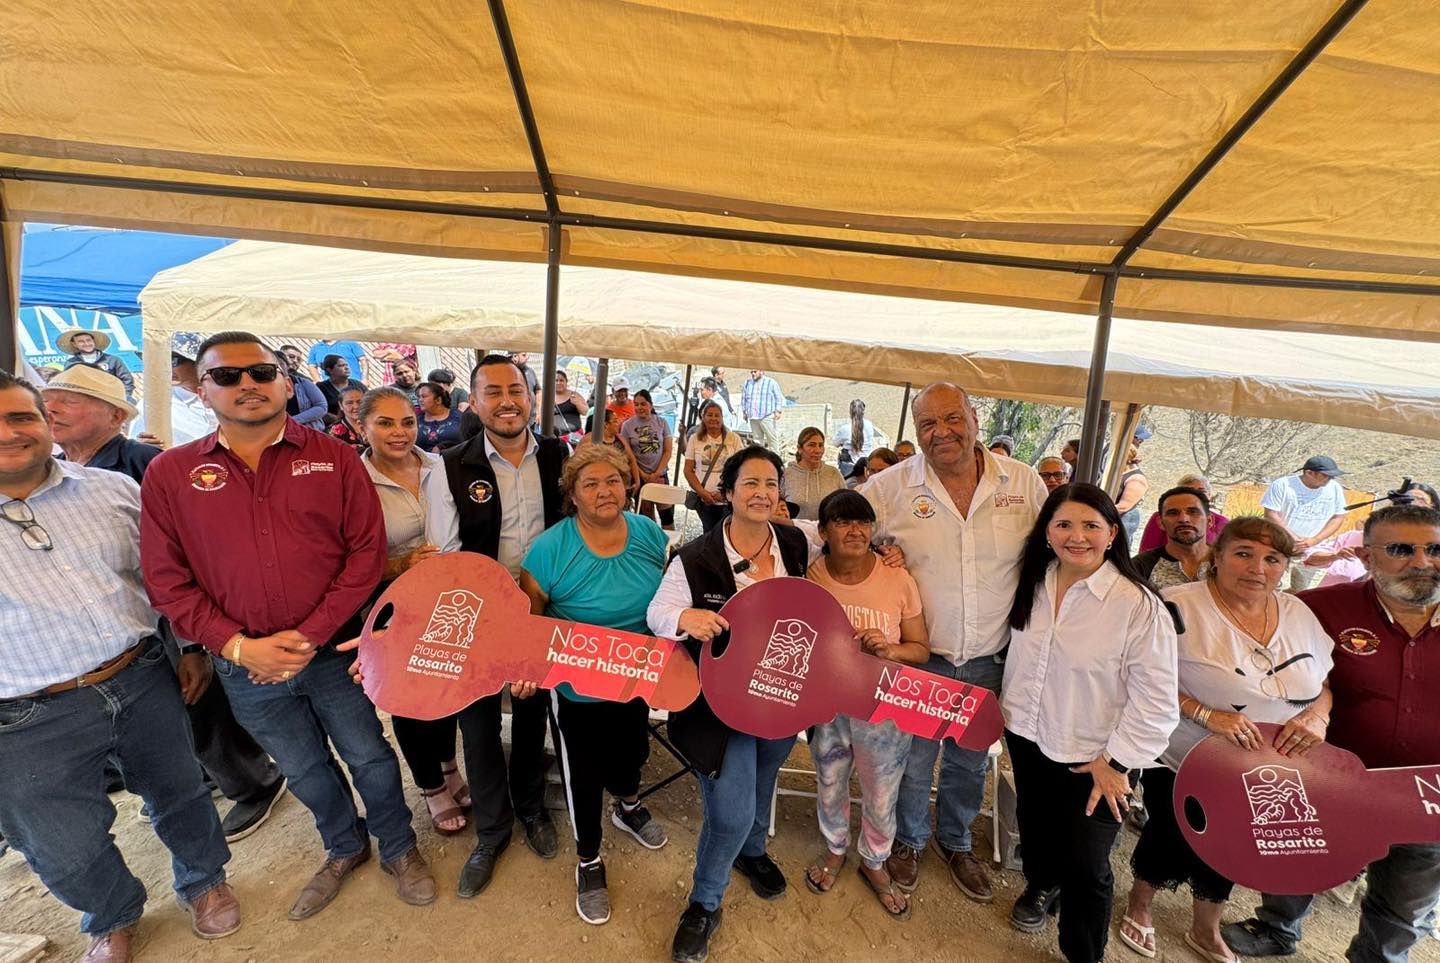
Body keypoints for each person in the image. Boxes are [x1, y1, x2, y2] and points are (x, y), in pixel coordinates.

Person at [140, 331, 434, 920]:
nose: (247, 384)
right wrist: (237, 647)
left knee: (370, 756)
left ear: (285, 381)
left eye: (261, 372)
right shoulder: (171, 473)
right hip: (246, 667)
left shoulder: (336, 459)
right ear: (202, 390)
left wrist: (310, 635)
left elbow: (364, 556)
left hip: (331, 651)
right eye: (227, 376)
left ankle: (399, 846)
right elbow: (167, 580)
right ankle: (343, 846)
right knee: (302, 768)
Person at [0, 371, 242, 963]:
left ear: (44, 424)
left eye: (20, 417)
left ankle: (205, 881)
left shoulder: (113, 491)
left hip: (140, 675)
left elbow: (166, 577)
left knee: (181, 791)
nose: (9, 434)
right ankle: (111, 917)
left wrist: (190, 646)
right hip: (24, 714)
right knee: (62, 840)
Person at [46, 365, 288, 843]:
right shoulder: (54, 469)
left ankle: (253, 780)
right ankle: (207, 774)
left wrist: (193, 639)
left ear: (115, 415)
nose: (52, 410)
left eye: (69, 401)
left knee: (197, 696)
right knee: (158, 708)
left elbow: (192, 544)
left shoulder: (144, 462)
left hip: (168, 610)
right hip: (112, 614)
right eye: (48, 401)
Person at [1222, 503, 1440, 963]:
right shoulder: (1318, 609)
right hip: (1330, 779)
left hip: (1429, 795)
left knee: (1406, 902)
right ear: (1365, 557)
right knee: (1298, 859)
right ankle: (1276, 928)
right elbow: (1282, 675)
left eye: (1435, 550)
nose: (1422, 562)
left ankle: (1377, 958)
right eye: (1402, 550)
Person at [861, 382, 1047, 903]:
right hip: (923, 657)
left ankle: (957, 841)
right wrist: (877, 556)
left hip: (993, 657)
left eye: (952, 418)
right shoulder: (890, 488)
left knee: (970, 759)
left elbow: (1053, 556)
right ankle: (909, 839)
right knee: (914, 757)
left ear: (974, 419)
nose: (941, 432)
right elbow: (841, 535)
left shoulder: (1024, 483)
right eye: (927, 423)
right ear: (916, 431)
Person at [1123, 516, 1333, 962]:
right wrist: (1206, 714)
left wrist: (1318, 716)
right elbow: (1136, 673)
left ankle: (1206, 925)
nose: (1258, 567)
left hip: (1265, 762)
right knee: (1173, 829)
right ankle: (1140, 904)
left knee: (1232, 840)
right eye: (1244, 554)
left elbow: (1324, 683)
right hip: (1183, 752)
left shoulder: (1298, 612)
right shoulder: (1175, 606)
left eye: (1272, 559)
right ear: (1216, 557)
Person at [1003, 483, 1179, 963]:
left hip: (1097, 756)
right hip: (1028, 735)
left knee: (1087, 863)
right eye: (1063, 524)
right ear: (1046, 532)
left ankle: (1083, 953)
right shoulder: (1033, 582)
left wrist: (1116, 763)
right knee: (1036, 829)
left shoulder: (1137, 606)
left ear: (1112, 533)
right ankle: (1042, 885)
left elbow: (1157, 703)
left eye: (1090, 526)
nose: (1076, 536)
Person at [648, 446, 809, 963]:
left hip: (779, 698)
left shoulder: (795, 543)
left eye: (771, 483)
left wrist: (887, 554)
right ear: (728, 493)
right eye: (751, 483)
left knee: (763, 781)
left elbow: (847, 543)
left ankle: (753, 853)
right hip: (717, 708)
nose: (762, 493)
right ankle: (704, 903)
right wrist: (685, 619)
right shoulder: (695, 558)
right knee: (732, 810)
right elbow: (658, 612)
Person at [423, 354, 568, 898]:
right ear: (475, 401)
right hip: (478, 613)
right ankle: (491, 831)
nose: (507, 402)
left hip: (542, 608)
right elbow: (449, 553)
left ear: (531, 397)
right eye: (493, 392)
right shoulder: (450, 465)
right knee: (478, 724)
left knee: (532, 714)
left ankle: (531, 807)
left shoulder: (556, 454)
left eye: (516, 390)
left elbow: (570, 530)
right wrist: (494, 613)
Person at [519, 444, 671, 925]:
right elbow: (531, 622)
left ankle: (628, 806)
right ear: (572, 495)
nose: (604, 491)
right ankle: (588, 859)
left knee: (632, 752)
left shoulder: (649, 533)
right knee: (583, 773)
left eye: (613, 481)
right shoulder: (550, 550)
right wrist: (527, 668)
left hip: (637, 675)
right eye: (591, 484)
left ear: (627, 485)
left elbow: (666, 599)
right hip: (576, 688)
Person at [337, 387, 471, 835]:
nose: (399, 432)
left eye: (407, 422)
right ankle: (431, 786)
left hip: (445, 600)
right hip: (391, 604)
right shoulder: (352, 481)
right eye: (386, 423)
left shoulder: (439, 466)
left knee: (445, 685)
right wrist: (399, 565)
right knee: (409, 698)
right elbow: (339, 559)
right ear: (362, 426)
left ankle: (449, 765)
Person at [802, 489, 929, 920]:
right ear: (823, 531)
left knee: (881, 791)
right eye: (842, 521)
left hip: (884, 708)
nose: (855, 530)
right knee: (830, 780)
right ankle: (835, 848)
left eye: (863, 522)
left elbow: (921, 649)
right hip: (829, 705)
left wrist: (890, 650)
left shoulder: (898, 578)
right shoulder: (810, 575)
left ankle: (874, 860)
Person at [43, 366, 160, 480]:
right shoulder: (48, 468)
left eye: (70, 401)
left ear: (116, 417)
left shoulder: (142, 460)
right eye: (44, 400)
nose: (49, 408)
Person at [1261, 455, 1349, 592]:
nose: (1329, 479)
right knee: (1274, 588)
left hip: (1314, 548)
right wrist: (1293, 538)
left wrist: (1315, 540)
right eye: (1325, 475)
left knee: (1306, 592)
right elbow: (1271, 514)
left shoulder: (1335, 488)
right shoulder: (1283, 485)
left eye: (1332, 476)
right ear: (1309, 472)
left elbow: (1338, 517)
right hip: (1281, 544)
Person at [132, 332, 218, 445]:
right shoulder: (153, 405)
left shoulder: (230, 394)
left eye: (173, 361)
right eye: (160, 361)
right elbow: (135, 442)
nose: (165, 367)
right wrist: (141, 447)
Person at [1134, 486, 1213, 589]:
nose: (1184, 519)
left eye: (1193, 512)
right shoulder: (1140, 567)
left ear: (1209, 521)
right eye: (1173, 513)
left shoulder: (1225, 562)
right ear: (1160, 523)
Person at [684, 400, 744, 533]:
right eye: (709, 415)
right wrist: (702, 492)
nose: (713, 418)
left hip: (727, 498)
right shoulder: (694, 438)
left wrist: (725, 492)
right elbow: (688, 470)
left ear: (722, 418)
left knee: (726, 532)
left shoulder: (733, 439)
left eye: (717, 415)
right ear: (703, 417)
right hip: (704, 498)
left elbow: (741, 469)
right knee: (709, 532)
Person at [623, 388, 676, 529]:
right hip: (640, 477)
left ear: (650, 405)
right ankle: (650, 541)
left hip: (660, 475)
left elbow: (668, 451)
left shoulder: (662, 422)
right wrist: (642, 475)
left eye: (643, 404)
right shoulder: (627, 426)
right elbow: (628, 455)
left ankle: (668, 543)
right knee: (646, 518)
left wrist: (657, 473)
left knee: (667, 516)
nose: (639, 407)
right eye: (636, 404)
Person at [1137, 473, 1228, 551]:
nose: (1197, 495)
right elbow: (1146, 550)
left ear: (1210, 495)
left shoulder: (1221, 522)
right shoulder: (1163, 517)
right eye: (1190, 491)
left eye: (1202, 491)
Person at [784, 426, 845, 520]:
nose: (818, 450)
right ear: (800, 449)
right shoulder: (786, 475)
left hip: (828, 529)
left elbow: (845, 504)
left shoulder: (833, 473)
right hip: (795, 529)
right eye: (811, 445)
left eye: (821, 445)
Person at [581, 408, 642, 499]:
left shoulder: (620, 439)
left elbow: (632, 460)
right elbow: (578, 463)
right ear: (606, 424)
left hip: (622, 484)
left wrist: (637, 481)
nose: (619, 423)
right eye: (615, 421)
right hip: (601, 485)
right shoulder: (590, 439)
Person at [58, 329, 135, 401]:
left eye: (88, 340)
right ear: (74, 344)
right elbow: (67, 385)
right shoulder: (71, 363)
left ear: (94, 341)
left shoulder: (112, 360)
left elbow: (127, 380)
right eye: (81, 341)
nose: (86, 343)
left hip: (112, 400)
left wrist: (124, 398)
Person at [278, 345, 329, 430]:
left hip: (305, 430)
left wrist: (291, 421)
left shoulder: (304, 382)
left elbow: (322, 406)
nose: (295, 361)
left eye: (299, 359)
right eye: (291, 357)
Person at [740, 368, 785, 451]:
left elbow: (778, 397)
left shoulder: (771, 382)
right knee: (757, 441)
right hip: (753, 417)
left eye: (755, 372)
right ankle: (759, 457)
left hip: (766, 416)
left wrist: (778, 411)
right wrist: (744, 412)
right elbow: (744, 399)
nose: (753, 374)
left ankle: (775, 457)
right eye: (751, 372)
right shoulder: (748, 383)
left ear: (761, 371)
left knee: (772, 439)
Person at [834, 398, 878, 478]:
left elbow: (835, 443)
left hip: (849, 466)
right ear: (863, 411)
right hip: (866, 462)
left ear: (850, 412)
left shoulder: (844, 429)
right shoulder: (869, 425)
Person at [415, 380, 464, 453]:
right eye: (419, 397)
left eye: (424, 396)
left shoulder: (459, 417)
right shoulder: (415, 420)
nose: (420, 400)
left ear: (438, 400)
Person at [1115, 445, 1149, 546]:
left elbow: (1124, 506)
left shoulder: (1136, 479)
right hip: (1112, 516)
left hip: (1124, 519)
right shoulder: (1118, 473)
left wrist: (1096, 510)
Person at [551, 368, 589, 444]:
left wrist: (577, 403)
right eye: (556, 380)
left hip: (575, 437)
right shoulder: (548, 397)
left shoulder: (574, 395)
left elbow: (585, 412)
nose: (558, 383)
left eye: (561, 380)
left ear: (566, 382)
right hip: (556, 438)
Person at [326, 384, 368, 452]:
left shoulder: (377, 424)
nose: (356, 406)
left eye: (360, 402)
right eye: (349, 403)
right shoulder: (331, 433)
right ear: (341, 405)